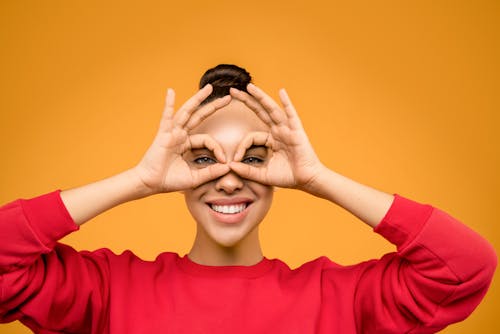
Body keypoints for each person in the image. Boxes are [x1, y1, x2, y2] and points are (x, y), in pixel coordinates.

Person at [0, 64, 496, 333]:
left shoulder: (339, 299)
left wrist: (319, 178)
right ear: (179, 171)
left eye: (254, 158)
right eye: (204, 159)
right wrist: (139, 180)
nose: (230, 179)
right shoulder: (109, 291)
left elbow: (466, 268)